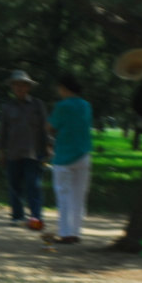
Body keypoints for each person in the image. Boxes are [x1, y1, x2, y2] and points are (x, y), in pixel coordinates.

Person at [0, 70, 50, 229]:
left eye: (23, 85)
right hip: (13, 152)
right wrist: (1, 151)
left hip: (33, 153)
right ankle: (17, 216)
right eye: (16, 85)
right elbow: (3, 131)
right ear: (12, 87)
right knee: (14, 185)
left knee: (33, 185)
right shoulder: (7, 107)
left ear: (28, 87)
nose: (19, 88)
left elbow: (45, 128)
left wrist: (48, 147)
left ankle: (36, 216)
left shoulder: (37, 105)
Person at [48, 73, 93, 244]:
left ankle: (65, 233)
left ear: (63, 88)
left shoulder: (62, 106)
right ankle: (76, 232)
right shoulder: (86, 106)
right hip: (83, 154)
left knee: (64, 195)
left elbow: (51, 126)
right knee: (79, 195)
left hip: (64, 155)